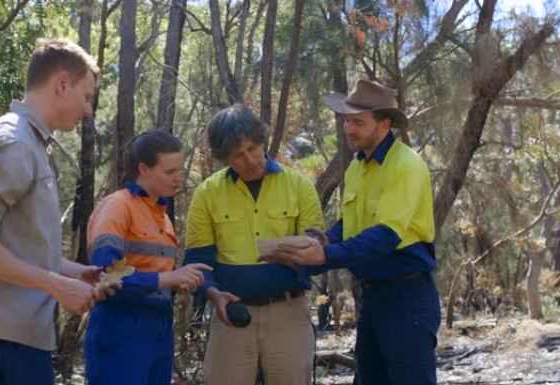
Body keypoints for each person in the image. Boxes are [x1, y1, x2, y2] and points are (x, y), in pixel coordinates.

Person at [0, 38, 115, 384]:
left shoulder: (31, 145)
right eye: (86, 97)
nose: (88, 110)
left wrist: (73, 273)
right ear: (62, 84)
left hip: (18, 341)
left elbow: (17, 247)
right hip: (0, 345)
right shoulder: (13, 141)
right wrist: (55, 285)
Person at [261, 79, 440, 385]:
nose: (349, 130)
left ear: (384, 124)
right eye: (346, 122)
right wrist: (325, 239)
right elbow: (350, 225)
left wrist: (324, 256)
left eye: (358, 122)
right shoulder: (357, 168)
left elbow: (385, 236)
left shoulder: (407, 166)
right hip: (371, 296)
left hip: (407, 297)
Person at [182, 104, 324, 385]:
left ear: (261, 141)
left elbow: (320, 254)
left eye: (253, 148)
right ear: (225, 159)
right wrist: (214, 295)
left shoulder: (299, 186)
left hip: (289, 312)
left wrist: (304, 255)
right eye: (238, 155)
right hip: (230, 317)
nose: (250, 159)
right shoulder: (207, 194)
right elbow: (197, 262)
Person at [84, 130, 212, 385]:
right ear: (143, 169)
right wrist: (167, 278)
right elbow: (106, 277)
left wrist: (179, 281)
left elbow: (155, 274)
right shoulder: (118, 207)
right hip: (120, 327)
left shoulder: (162, 217)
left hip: (159, 328)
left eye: (180, 170)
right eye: (169, 172)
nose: (178, 178)